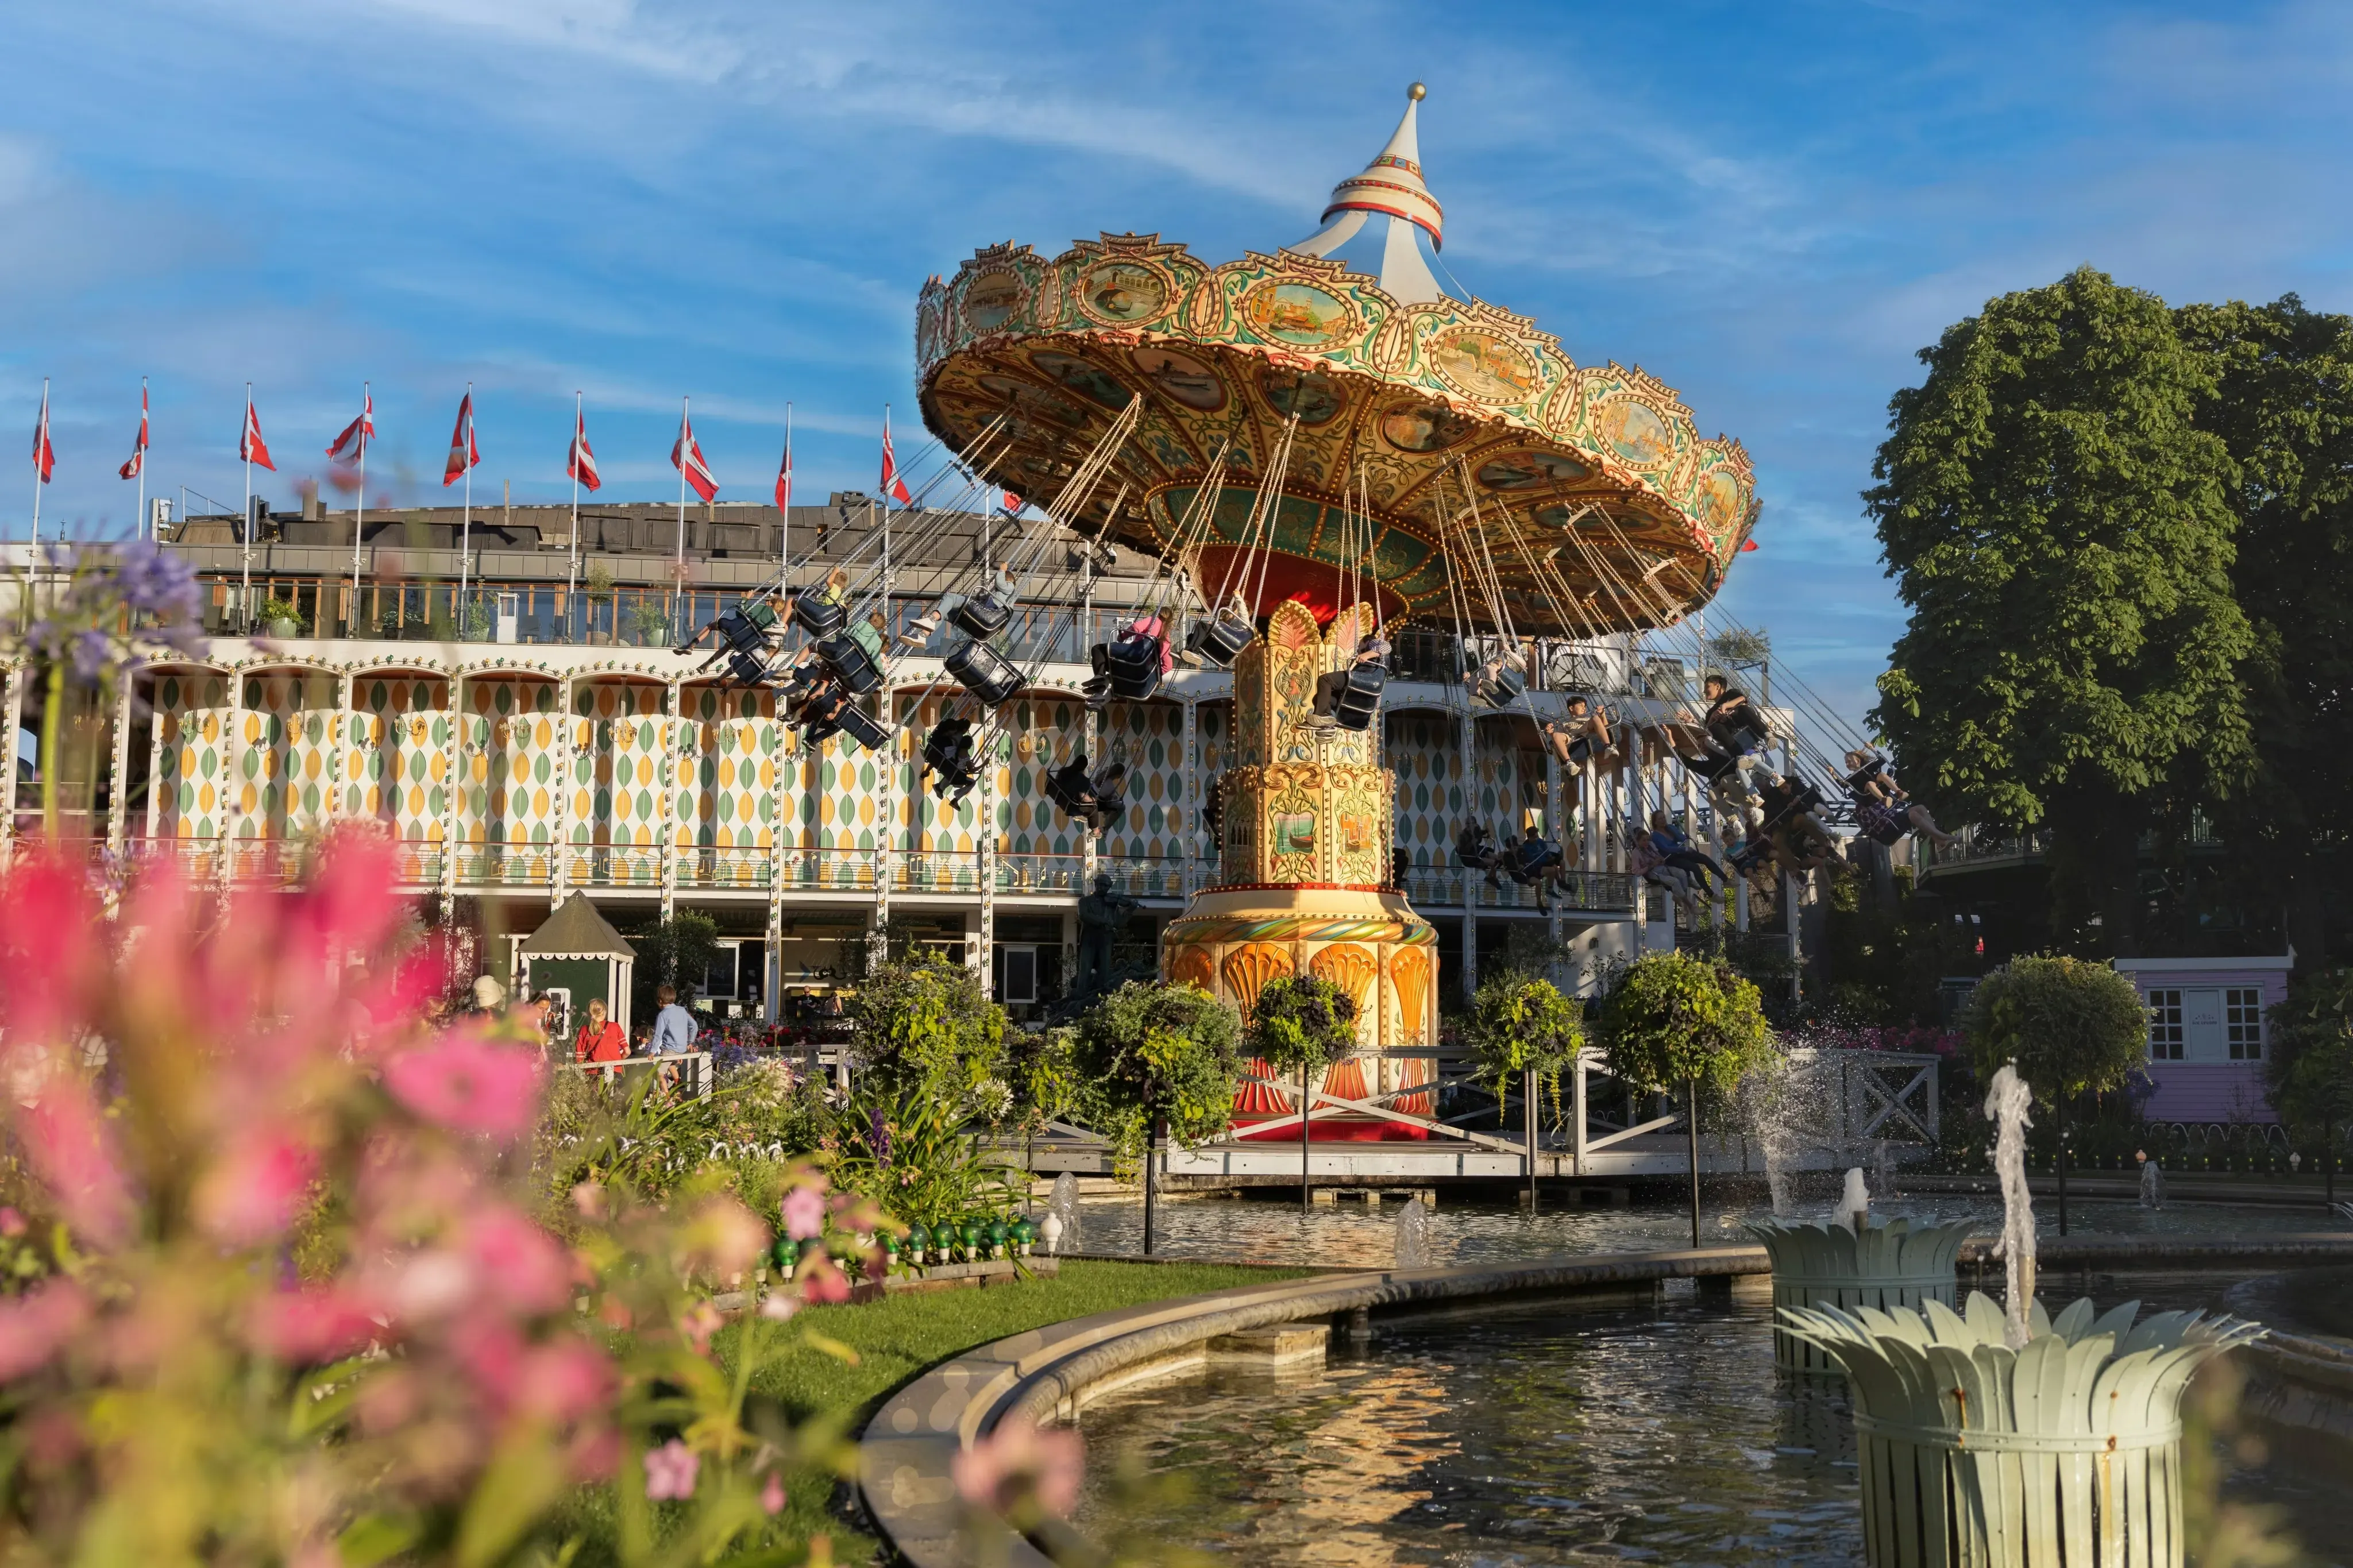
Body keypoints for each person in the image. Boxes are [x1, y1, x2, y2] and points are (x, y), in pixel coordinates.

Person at [1843, 749, 1957, 848]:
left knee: (1920, 808)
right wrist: (1834, 775)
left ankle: (1939, 842)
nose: (1847, 764)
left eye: (1849, 761)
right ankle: (1944, 836)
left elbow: (1879, 762)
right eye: (1846, 763)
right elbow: (1868, 827)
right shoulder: (1862, 805)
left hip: (1895, 821)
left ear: (1858, 761)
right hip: (1886, 831)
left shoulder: (1878, 785)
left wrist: (1873, 749)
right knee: (1913, 815)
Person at [1074, 874, 1140, 995]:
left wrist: (1130, 910)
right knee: (1085, 969)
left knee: (1104, 971)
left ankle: (1101, 998)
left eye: (1105, 886)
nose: (1102, 888)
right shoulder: (1084, 901)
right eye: (1100, 885)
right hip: (1089, 940)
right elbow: (1084, 916)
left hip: (1106, 940)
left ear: (1109, 887)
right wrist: (1103, 920)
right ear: (1096, 885)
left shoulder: (1112, 904)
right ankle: (1080, 995)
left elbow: (1119, 924)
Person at [1309, 631, 1391, 727]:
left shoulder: (1371, 643)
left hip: (1365, 678)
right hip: (1366, 685)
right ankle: (1326, 720)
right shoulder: (1375, 660)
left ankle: (1320, 715)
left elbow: (1387, 647)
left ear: (1366, 642)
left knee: (1326, 679)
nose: (1358, 649)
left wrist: (1366, 655)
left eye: (1359, 645)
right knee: (1320, 699)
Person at [650, 983, 699, 1056]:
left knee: (658, 1067)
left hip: (669, 1050)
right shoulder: (682, 1010)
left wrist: (653, 1051)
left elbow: (658, 1035)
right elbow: (694, 1025)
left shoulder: (663, 1014)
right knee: (672, 1066)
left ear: (660, 1001)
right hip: (682, 1050)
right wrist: (690, 1042)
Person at [573, 996, 627, 1064]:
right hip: (615, 1069)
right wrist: (618, 1062)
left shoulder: (584, 1030)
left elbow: (579, 1057)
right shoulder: (615, 1027)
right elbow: (627, 1052)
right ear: (604, 1012)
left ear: (588, 1013)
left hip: (592, 1070)